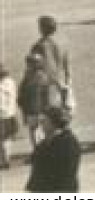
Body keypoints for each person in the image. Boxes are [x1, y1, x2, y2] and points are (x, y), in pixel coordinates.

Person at [23, 17, 69, 148]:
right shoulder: (60, 44)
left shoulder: (38, 46)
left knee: (39, 122)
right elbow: (65, 66)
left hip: (44, 87)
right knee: (56, 117)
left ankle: (41, 149)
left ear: (41, 28)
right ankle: (56, 145)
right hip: (58, 86)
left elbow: (33, 68)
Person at [24, 106, 79, 194]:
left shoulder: (68, 143)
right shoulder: (44, 144)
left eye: (44, 121)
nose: (40, 124)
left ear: (54, 122)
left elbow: (67, 174)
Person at [0, 63, 16, 170]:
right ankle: (6, 160)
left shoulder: (3, 84)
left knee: (3, 138)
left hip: (3, 114)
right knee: (6, 138)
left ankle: (5, 160)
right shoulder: (11, 82)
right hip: (10, 113)